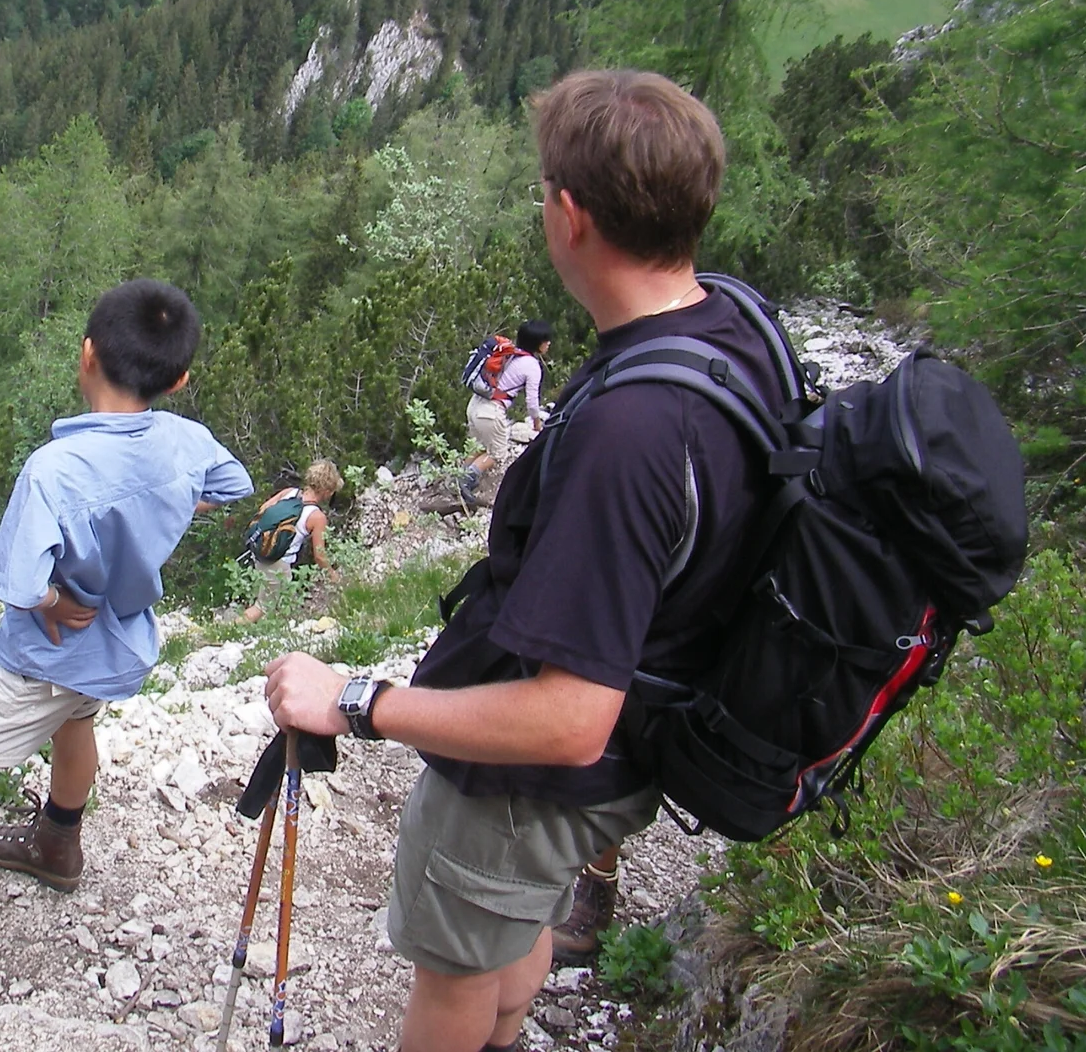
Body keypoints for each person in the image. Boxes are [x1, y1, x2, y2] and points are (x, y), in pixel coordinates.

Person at [262, 70, 781, 1052]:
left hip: (528, 787)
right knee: (518, 926)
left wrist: (357, 701)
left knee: (455, 975)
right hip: (630, 750)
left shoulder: (634, 433)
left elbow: (569, 721)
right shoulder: (729, 326)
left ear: (570, 215)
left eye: (543, 190)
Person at [0, 279, 253, 971]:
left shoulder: (54, 471)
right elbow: (234, 485)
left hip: (48, 651)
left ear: (86, 354)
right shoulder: (185, 442)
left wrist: (52, 601)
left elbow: (22, 583)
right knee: (76, 725)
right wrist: (167, 502)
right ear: (178, 381)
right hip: (116, 646)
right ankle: (57, 844)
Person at [462, 320, 554, 507]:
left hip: (475, 405)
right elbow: (532, 403)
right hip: (491, 412)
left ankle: (458, 476)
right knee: (497, 453)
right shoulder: (532, 366)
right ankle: (466, 481)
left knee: (479, 445)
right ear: (537, 343)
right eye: (546, 340)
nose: (549, 343)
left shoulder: (508, 354)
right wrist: (537, 424)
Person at [241, 458, 343, 624]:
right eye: (331, 491)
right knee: (263, 608)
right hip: (278, 564)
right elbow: (319, 555)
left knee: (270, 604)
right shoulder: (317, 517)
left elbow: (263, 511)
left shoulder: (288, 493)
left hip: (259, 552)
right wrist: (332, 574)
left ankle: (255, 634)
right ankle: (227, 629)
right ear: (326, 490)